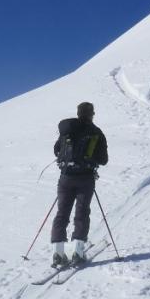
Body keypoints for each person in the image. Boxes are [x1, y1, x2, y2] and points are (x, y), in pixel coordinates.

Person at [50, 102, 108, 267]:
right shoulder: (96, 133)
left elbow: (56, 150)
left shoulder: (67, 129)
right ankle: (78, 251)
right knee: (82, 212)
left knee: (62, 213)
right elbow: (104, 160)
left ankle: (58, 253)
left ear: (78, 113)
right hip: (85, 178)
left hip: (65, 177)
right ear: (92, 114)